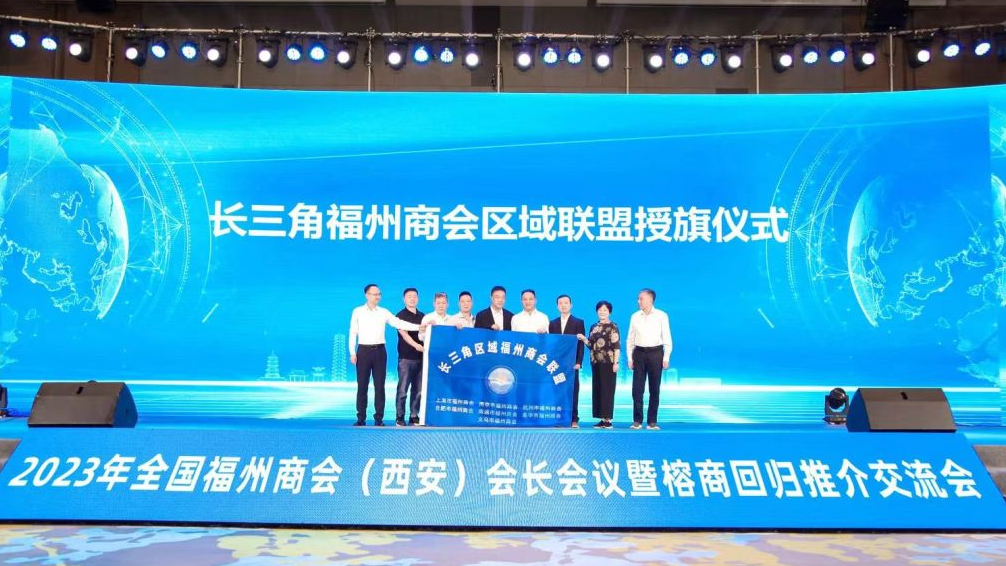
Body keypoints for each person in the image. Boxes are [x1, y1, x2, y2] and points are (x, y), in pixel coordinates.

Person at [349, 284, 425, 427]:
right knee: (362, 386)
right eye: (374, 294)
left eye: (379, 294)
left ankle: (379, 418)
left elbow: (399, 323)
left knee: (380, 386)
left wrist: (418, 327)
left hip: (380, 351)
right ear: (367, 295)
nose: (377, 296)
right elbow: (353, 332)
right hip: (363, 351)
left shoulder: (383, 312)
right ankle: (361, 418)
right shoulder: (358, 311)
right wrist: (352, 352)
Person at [626, 288, 672, 430]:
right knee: (637, 389)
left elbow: (667, 337)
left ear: (650, 300)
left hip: (655, 353)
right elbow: (630, 338)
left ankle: (652, 421)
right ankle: (637, 420)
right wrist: (630, 357)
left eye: (641, 298)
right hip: (639, 353)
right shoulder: (635, 316)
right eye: (638, 299)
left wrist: (666, 357)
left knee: (654, 389)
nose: (638, 301)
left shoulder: (661, 316)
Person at [577, 300, 620, 429]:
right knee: (598, 389)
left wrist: (616, 362)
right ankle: (602, 418)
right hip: (595, 362)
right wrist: (583, 338)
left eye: (605, 310)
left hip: (609, 362)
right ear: (597, 312)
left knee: (608, 390)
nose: (602, 312)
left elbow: (616, 346)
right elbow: (591, 345)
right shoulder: (593, 327)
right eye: (600, 310)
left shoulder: (613, 326)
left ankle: (608, 419)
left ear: (609, 312)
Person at [549, 294, 586, 428]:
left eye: (566, 303)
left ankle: (574, 418)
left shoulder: (578, 322)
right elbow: (551, 344)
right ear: (557, 306)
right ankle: (559, 417)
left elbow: (580, 344)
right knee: (557, 390)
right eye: (560, 303)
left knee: (573, 390)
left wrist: (579, 362)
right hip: (556, 364)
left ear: (571, 305)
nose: (563, 305)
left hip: (572, 364)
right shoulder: (552, 323)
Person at [394, 288, 425, 427]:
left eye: (414, 296)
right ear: (404, 299)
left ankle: (414, 415)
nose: (412, 299)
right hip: (406, 358)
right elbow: (404, 334)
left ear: (418, 298)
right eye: (409, 296)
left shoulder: (423, 316)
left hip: (421, 357)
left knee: (418, 390)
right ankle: (399, 416)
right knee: (403, 389)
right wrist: (416, 345)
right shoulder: (399, 316)